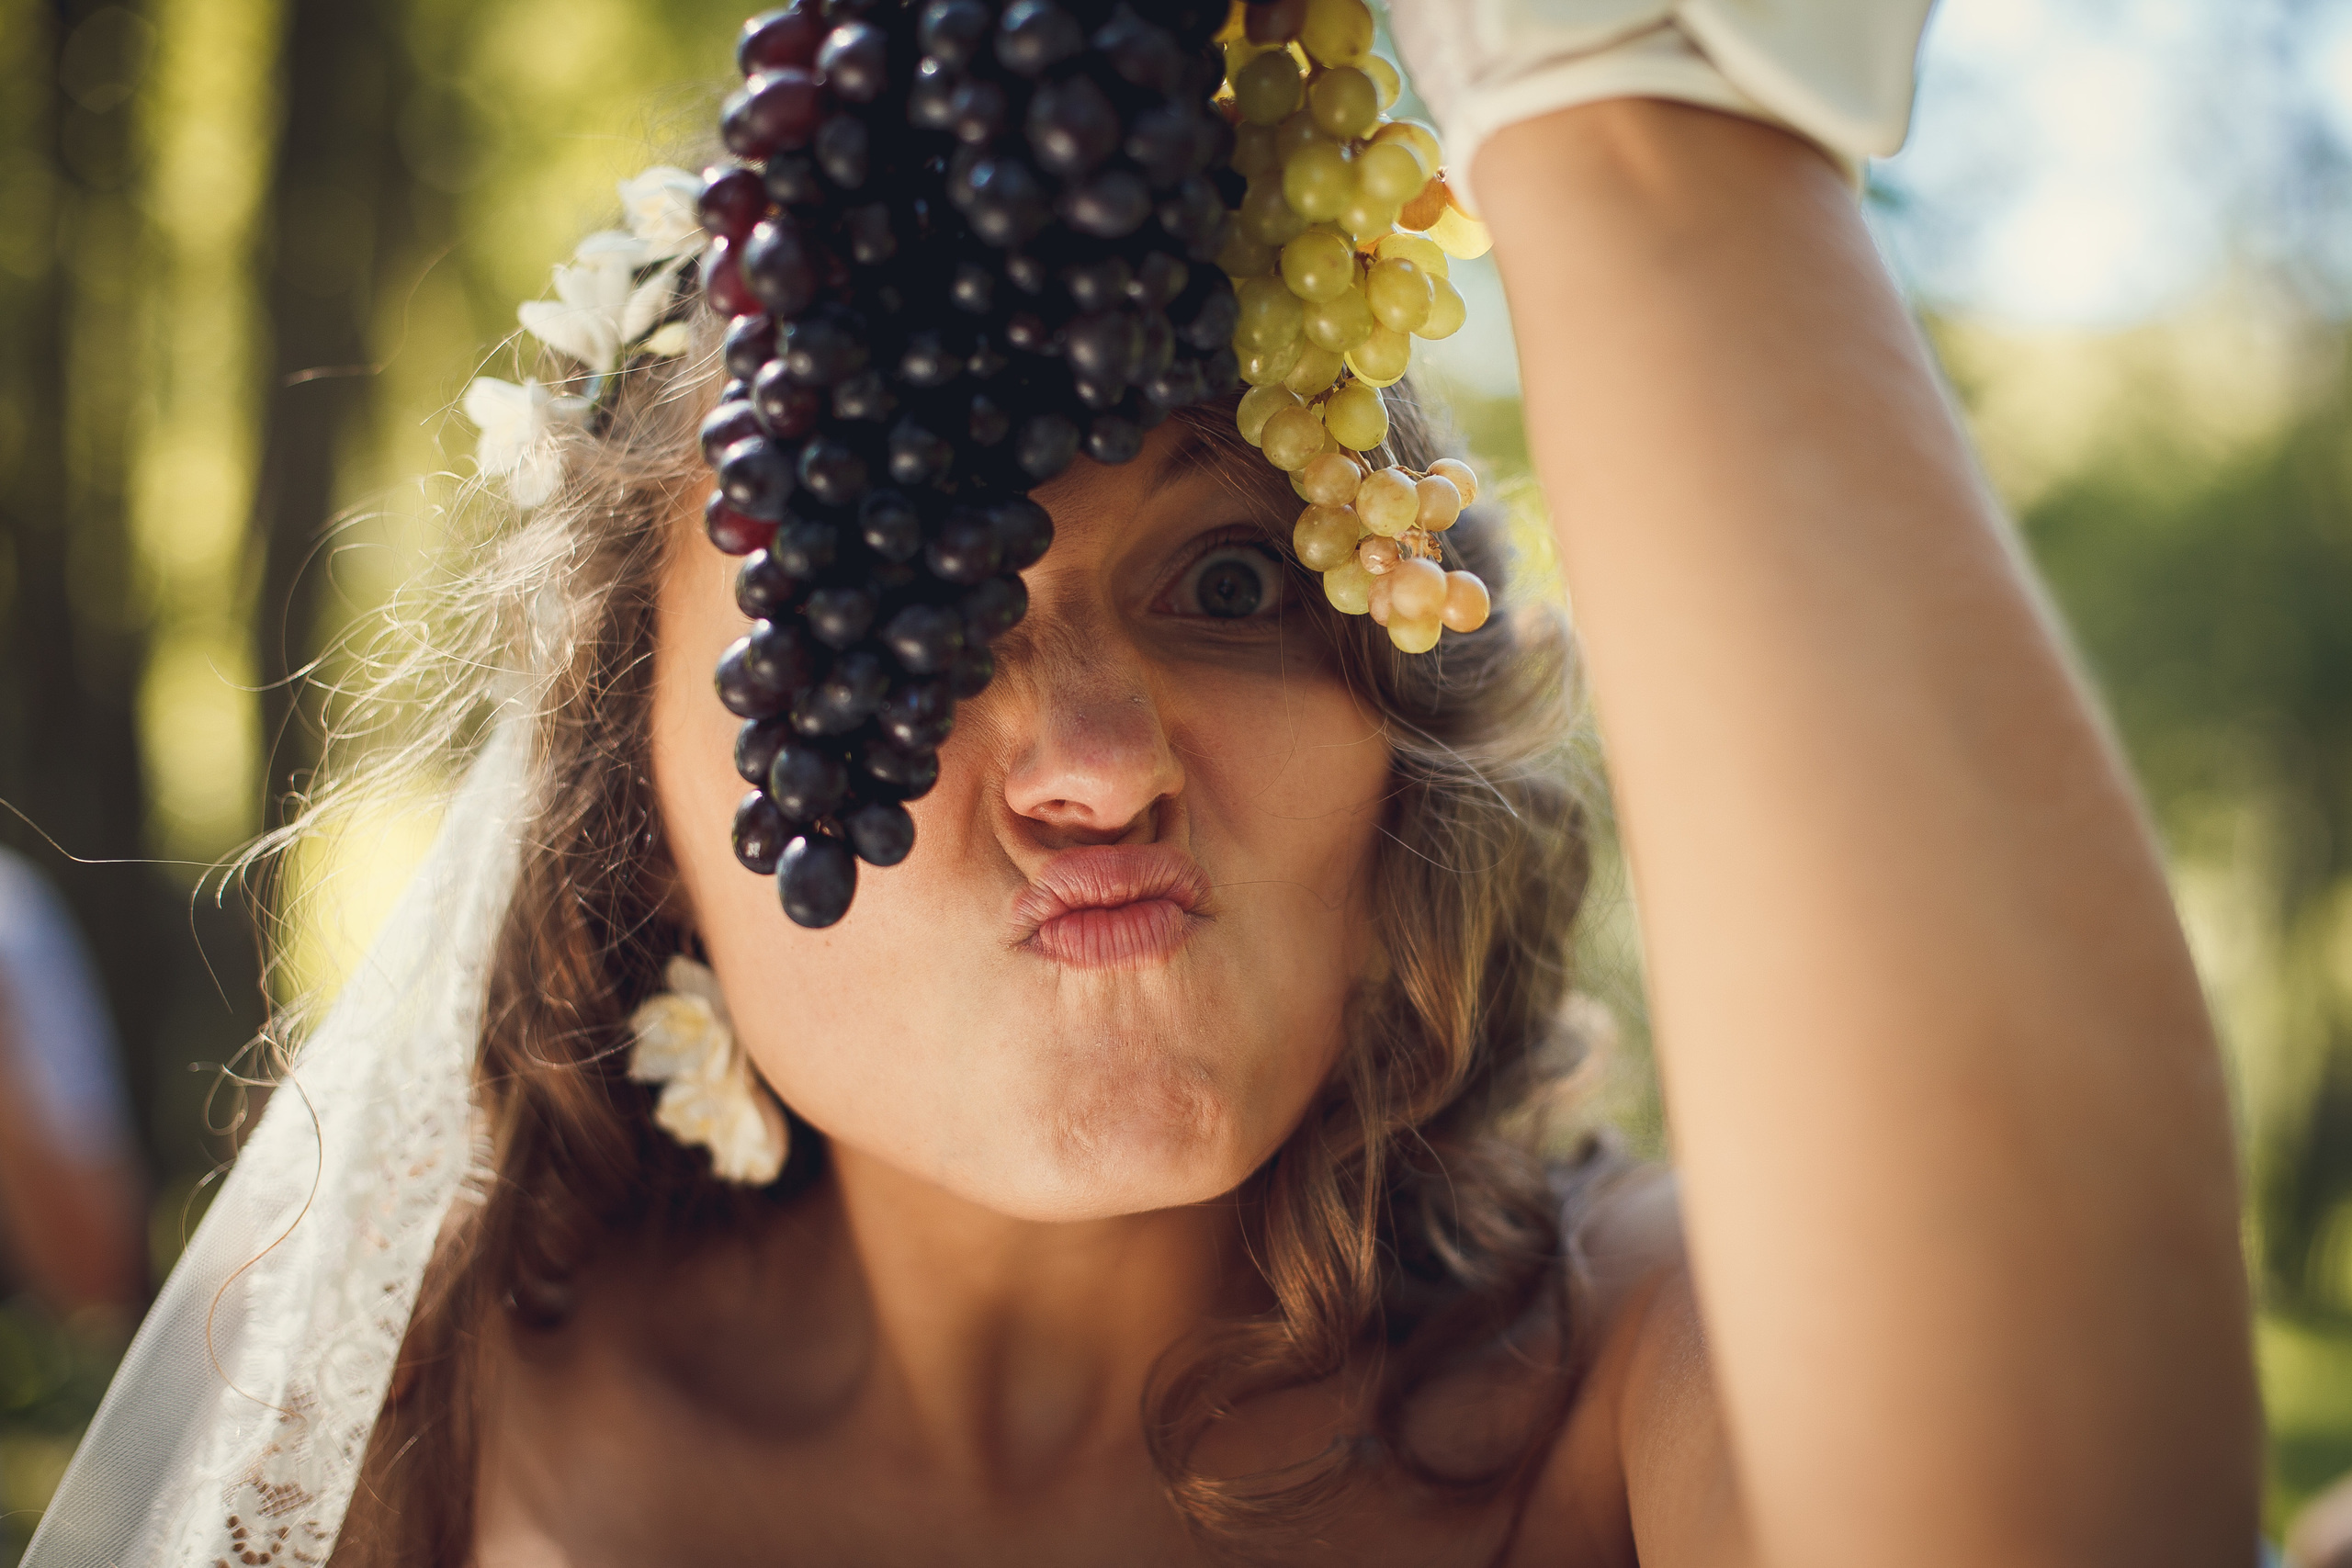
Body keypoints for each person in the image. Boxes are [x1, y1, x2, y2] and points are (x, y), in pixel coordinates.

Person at [25, 1, 2264, 1564]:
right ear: (643, 820)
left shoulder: (1648, 1383)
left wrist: (1620, 103)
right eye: (895, 607)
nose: (1093, 760)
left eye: (1225, 578)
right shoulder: (409, 1397)